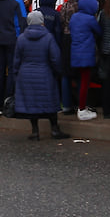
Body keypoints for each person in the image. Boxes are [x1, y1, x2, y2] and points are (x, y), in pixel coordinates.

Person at [11, 10, 69, 140]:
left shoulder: (21, 38)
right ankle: (54, 129)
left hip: (25, 75)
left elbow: (16, 60)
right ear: (42, 21)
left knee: (31, 104)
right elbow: (55, 58)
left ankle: (35, 131)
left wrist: (16, 76)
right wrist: (57, 72)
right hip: (45, 73)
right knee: (50, 102)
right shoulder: (48, 37)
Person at [68, 0, 101, 119]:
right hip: (86, 55)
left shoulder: (74, 17)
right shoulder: (90, 19)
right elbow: (99, 32)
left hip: (75, 53)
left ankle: (80, 105)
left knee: (78, 82)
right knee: (85, 83)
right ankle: (82, 109)